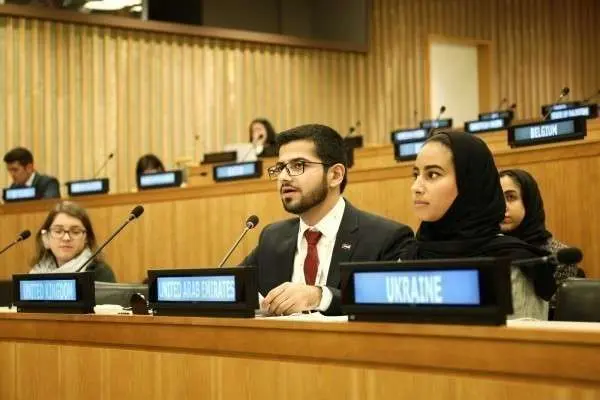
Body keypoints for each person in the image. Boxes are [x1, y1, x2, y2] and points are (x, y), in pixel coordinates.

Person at [241, 124, 414, 316]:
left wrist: (320, 297)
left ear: (335, 175)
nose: (283, 177)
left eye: (298, 165)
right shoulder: (272, 237)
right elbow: (233, 287)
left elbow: (391, 303)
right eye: (280, 167)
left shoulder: (385, 238)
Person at [404, 132, 556, 320]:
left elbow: (524, 348)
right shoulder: (410, 255)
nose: (416, 187)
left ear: (470, 181)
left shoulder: (513, 262)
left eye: (432, 174)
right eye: (416, 174)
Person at [499, 168, 584, 313]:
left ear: (529, 201)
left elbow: (558, 315)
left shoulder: (557, 255)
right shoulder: (486, 249)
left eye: (511, 197)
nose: (503, 206)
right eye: (497, 199)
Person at [30, 201, 116, 282]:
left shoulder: (100, 274)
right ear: (46, 236)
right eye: (58, 231)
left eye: (75, 232)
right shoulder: (36, 272)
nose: (66, 238)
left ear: (86, 238)